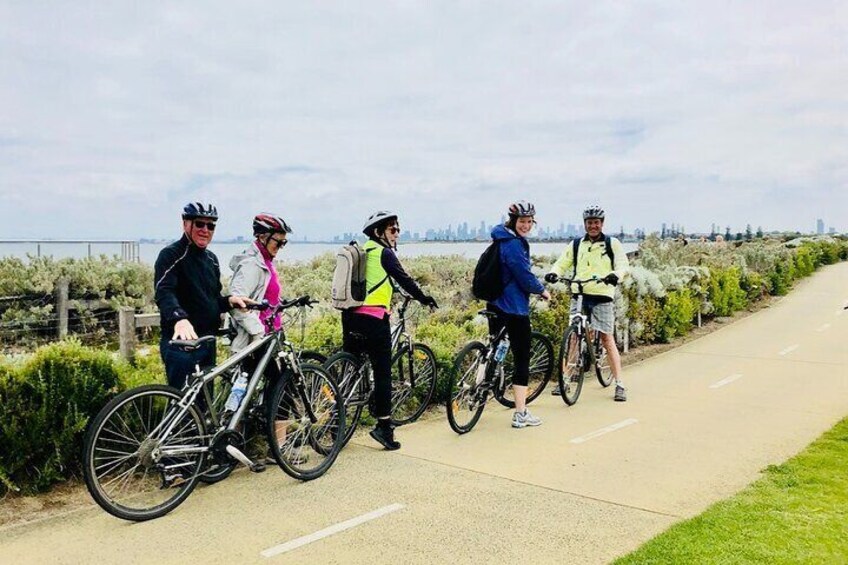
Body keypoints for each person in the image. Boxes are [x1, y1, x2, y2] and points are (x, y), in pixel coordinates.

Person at [342, 210, 438, 450]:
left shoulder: (363, 252)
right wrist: (424, 298)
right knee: (383, 372)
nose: (396, 234)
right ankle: (384, 428)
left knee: (351, 368)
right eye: (393, 230)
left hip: (350, 317)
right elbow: (404, 279)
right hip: (374, 319)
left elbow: (374, 283)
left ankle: (337, 422)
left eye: (398, 230)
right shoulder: (384, 253)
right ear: (379, 232)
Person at [154, 202, 249, 390]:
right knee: (182, 406)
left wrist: (229, 301)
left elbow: (211, 299)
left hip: (207, 341)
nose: (205, 230)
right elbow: (163, 291)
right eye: (199, 224)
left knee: (203, 409)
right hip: (182, 344)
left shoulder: (212, 260)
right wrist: (179, 319)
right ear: (185, 224)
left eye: (211, 225)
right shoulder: (171, 255)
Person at [228, 213, 296, 461]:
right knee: (274, 389)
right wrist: (259, 333)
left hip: (269, 338)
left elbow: (266, 299)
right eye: (278, 242)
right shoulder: (251, 264)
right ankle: (277, 449)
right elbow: (237, 304)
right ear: (262, 237)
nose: (281, 247)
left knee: (273, 389)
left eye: (283, 243)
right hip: (256, 341)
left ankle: (275, 447)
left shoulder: (266, 260)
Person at [545, 205, 630, 401]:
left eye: (596, 223)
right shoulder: (576, 245)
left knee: (607, 338)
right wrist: (554, 273)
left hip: (602, 296)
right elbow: (562, 262)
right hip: (579, 294)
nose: (593, 226)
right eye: (590, 223)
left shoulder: (612, 243)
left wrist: (614, 276)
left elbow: (623, 265)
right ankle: (565, 379)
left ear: (602, 224)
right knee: (574, 337)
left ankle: (619, 384)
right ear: (585, 224)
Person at [487, 201, 551, 428]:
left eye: (529, 221)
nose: (525, 225)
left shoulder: (500, 238)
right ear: (513, 222)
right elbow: (523, 274)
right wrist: (542, 291)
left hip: (494, 302)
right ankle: (521, 413)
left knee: (495, 347)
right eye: (522, 221)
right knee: (522, 356)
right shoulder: (514, 244)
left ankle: (482, 385)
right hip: (513, 306)